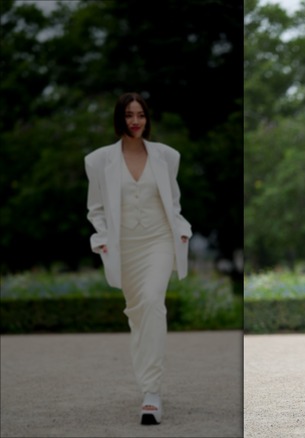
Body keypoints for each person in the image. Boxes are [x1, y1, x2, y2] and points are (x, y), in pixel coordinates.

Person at [85, 92, 192, 425]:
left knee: (152, 302)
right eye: (129, 115)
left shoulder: (167, 156)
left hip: (159, 240)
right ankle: (148, 383)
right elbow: (95, 209)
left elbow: (173, 202)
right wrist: (102, 238)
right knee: (137, 314)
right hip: (124, 247)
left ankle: (152, 392)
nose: (135, 121)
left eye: (141, 115)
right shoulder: (97, 161)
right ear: (120, 118)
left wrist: (182, 229)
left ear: (147, 118)